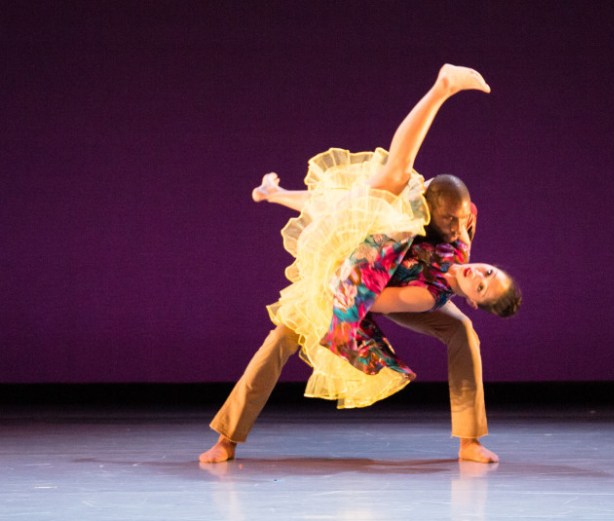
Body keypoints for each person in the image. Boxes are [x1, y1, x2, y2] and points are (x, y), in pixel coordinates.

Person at [200, 64, 520, 465]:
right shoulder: (460, 233)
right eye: (488, 272)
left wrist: (337, 296)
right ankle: (226, 438)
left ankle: (469, 441)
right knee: (284, 334)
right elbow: (338, 208)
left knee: (461, 330)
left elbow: (374, 301)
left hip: (360, 285)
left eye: (481, 287)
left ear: (474, 298)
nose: (479, 275)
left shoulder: (426, 295)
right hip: (366, 242)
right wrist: (279, 195)